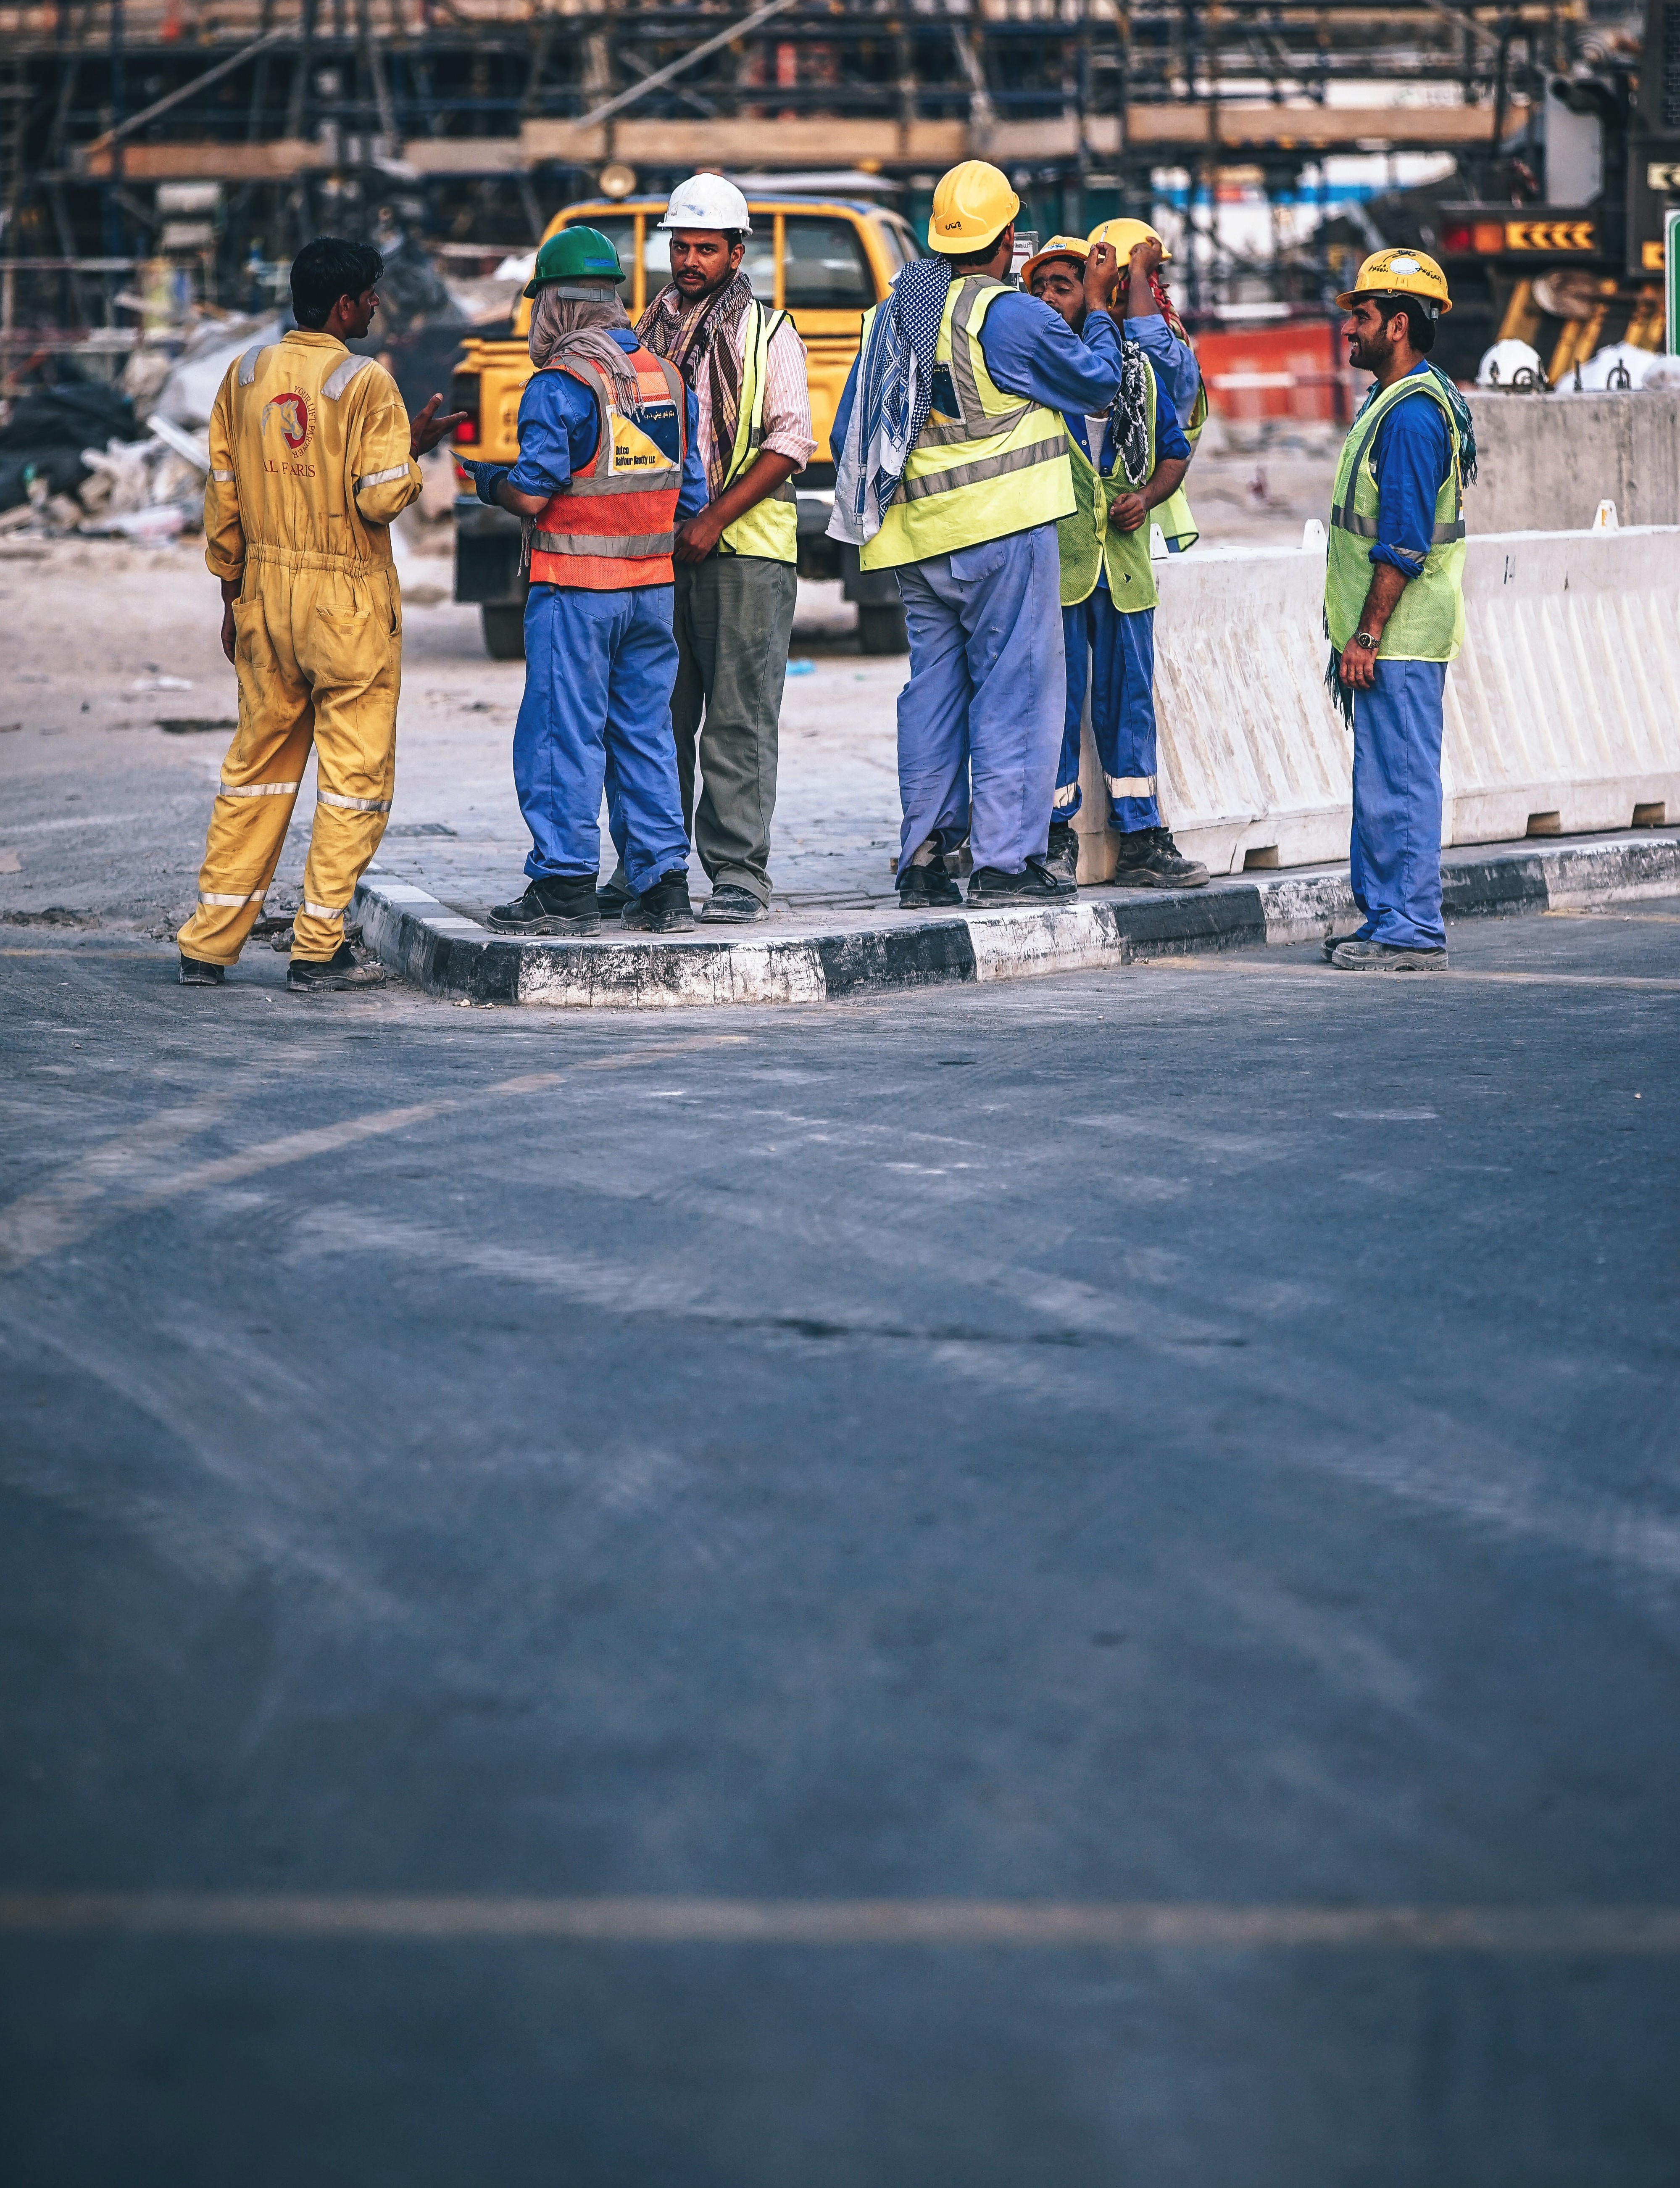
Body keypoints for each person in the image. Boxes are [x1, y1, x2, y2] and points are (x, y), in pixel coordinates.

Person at [829, 161, 1126, 909]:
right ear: (1005, 243)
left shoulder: (894, 314)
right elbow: (1095, 383)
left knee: (932, 694)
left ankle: (925, 861)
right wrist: (1093, 305)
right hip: (1003, 532)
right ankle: (1002, 863)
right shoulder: (1010, 315)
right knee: (1015, 693)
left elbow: (848, 432)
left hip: (915, 542)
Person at [176, 236, 464, 991]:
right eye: (369, 295)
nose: (375, 305)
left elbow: (224, 496)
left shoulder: (243, 374)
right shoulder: (365, 382)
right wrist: (413, 449)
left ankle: (208, 943)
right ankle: (317, 948)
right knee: (352, 782)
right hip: (345, 602)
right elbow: (377, 496)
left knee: (255, 774)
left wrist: (230, 597)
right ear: (343, 305)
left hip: (265, 594)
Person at [463, 226, 708, 937]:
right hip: (651, 591)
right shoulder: (666, 376)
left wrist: (490, 486)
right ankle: (663, 885)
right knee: (643, 733)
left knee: (560, 734)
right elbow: (688, 496)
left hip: (575, 589)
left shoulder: (560, 383)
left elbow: (534, 495)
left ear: (558, 306)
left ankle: (564, 884)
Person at [597, 173, 815, 925]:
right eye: (680, 246)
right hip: (654, 554)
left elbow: (790, 441)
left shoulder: (769, 332)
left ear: (735, 250)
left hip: (743, 554)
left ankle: (736, 874)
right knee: (653, 718)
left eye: (705, 248)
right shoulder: (641, 337)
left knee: (736, 718)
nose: (689, 261)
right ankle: (649, 867)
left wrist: (712, 519)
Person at [1022, 234, 1206, 892]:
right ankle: (1049, 837)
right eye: (1039, 288)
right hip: (1060, 567)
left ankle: (1140, 837)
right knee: (1055, 704)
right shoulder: (1033, 374)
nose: (1048, 299)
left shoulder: (1138, 373)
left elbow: (1175, 450)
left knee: (1130, 701)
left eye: (1062, 287)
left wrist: (1148, 496)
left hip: (1124, 570)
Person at [1322, 246, 1474, 972]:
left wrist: (1366, 632)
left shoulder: (1412, 416)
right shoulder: (1397, 402)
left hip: (1400, 635)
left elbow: (1404, 541)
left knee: (1403, 782)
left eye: (1362, 315)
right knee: (1382, 783)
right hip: (1394, 636)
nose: (1349, 327)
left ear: (1399, 325)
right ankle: (1387, 918)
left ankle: (1411, 927)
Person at [1087, 218, 1207, 557]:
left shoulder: (1176, 362)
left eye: (1119, 300)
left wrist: (1137, 274)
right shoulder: (1093, 359)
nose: (1104, 312)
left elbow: (1150, 342)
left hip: (1153, 529)